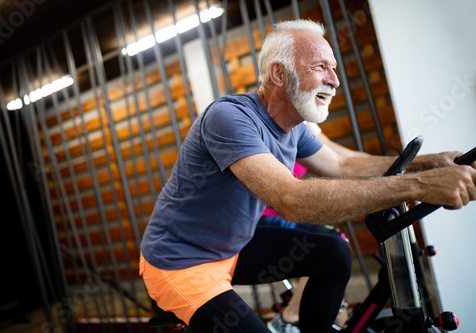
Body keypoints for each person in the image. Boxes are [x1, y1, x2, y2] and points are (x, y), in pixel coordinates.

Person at [139, 19, 476, 333]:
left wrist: (430, 164)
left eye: (333, 67)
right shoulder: (229, 117)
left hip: (233, 246)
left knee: (334, 252)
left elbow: (344, 166)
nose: (335, 79)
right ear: (279, 74)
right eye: (320, 67)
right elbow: (293, 200)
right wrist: (419, 185)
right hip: (182, 262)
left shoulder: (293, 128)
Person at [263, 122, 368, 332]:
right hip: (262, 218)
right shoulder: (279, 121)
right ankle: (288, 319)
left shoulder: (306, 124)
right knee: (333, 242)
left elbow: (339, 157)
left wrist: (387, 165)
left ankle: (331, 320)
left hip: (284, 215)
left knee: (339, 309)